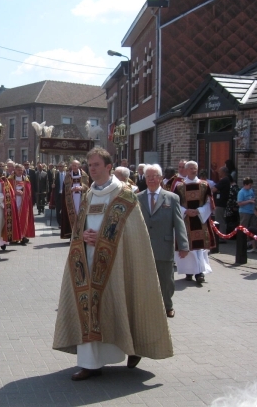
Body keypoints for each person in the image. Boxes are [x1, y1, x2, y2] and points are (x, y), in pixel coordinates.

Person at [53, 147, 172, 380]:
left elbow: (134, 234)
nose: (91, 169)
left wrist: (105, 239)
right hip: (88, 260)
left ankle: (133, 347)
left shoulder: (125, 195)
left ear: (109, 167)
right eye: (90, 165)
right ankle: (90, 363)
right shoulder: (88, 195)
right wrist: (83, 236)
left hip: (117, 263)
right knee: (90, 305)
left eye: (96, 164)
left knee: (120, 302)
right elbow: (81, 224)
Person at [137, 164, 189, 318]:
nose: (151, 179)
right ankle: (146, 306)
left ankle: (167, 305)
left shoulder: (172, 198)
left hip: (164, 246)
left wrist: (184, 245)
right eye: (148, 177)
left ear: (160, 178)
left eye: (154, 176)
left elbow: (179, 223)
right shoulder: (138, 198)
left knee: (166, 280)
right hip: (143, 246)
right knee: (144, 279)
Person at [173, 161, 216, 284]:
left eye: (195, 168)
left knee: (199, 248)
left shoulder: (204, 185)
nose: (193, 170)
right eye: (191, 168)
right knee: (188, 247)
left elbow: (209, 202)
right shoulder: (179, 186)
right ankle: (189, 271)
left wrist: (199, 211)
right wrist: (185, 211)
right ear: (186, 170)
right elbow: (175, 204)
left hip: (200, 220)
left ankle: (199, 272)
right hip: (185, 220)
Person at [60, 160, 89, 239]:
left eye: (76, 165)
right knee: (73, 214)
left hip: (81, 198)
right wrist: (71, 189)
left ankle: (81, 234)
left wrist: (81, 187)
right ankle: (72, 234)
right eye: (73, 165)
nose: (74, 167)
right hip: (71, 198)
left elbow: (87, 187)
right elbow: (65, 188)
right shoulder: (68, 176)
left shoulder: (84, 175)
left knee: (81, 214)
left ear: (79, 166)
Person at [8, 164, 35, 245]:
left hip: (23, 202)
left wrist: (24, 193)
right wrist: (15, 192)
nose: (20, 172)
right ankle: (14, 237)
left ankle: (23, 236)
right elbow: (7, 190)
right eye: (18, 170)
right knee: (14, 218)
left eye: (21, 170)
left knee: (23, 218)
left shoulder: (26, 179)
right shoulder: (10, 179)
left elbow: (29, 190)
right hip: (14, 201)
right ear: (15, 170)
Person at [212, 166, 231, 236]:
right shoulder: (226, 180)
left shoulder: (224, 180)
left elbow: (214, 189)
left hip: (220, 203)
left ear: (223, 172)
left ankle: (221, 236)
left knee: (219, 220)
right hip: (221, 203)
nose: (218, 172)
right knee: (220, 219)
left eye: (220, 171)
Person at [52, 162, 67, 227]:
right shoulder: (56, 174)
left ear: (64, 167)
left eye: (61, 166)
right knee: (58, 209)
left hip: (65, 194)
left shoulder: (67, 175)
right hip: (58, 194)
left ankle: (64, 222)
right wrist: (52, 185)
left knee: (64, 209)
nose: (60, 168)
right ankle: (59, 223)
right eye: (59, 166)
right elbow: (52, 183)